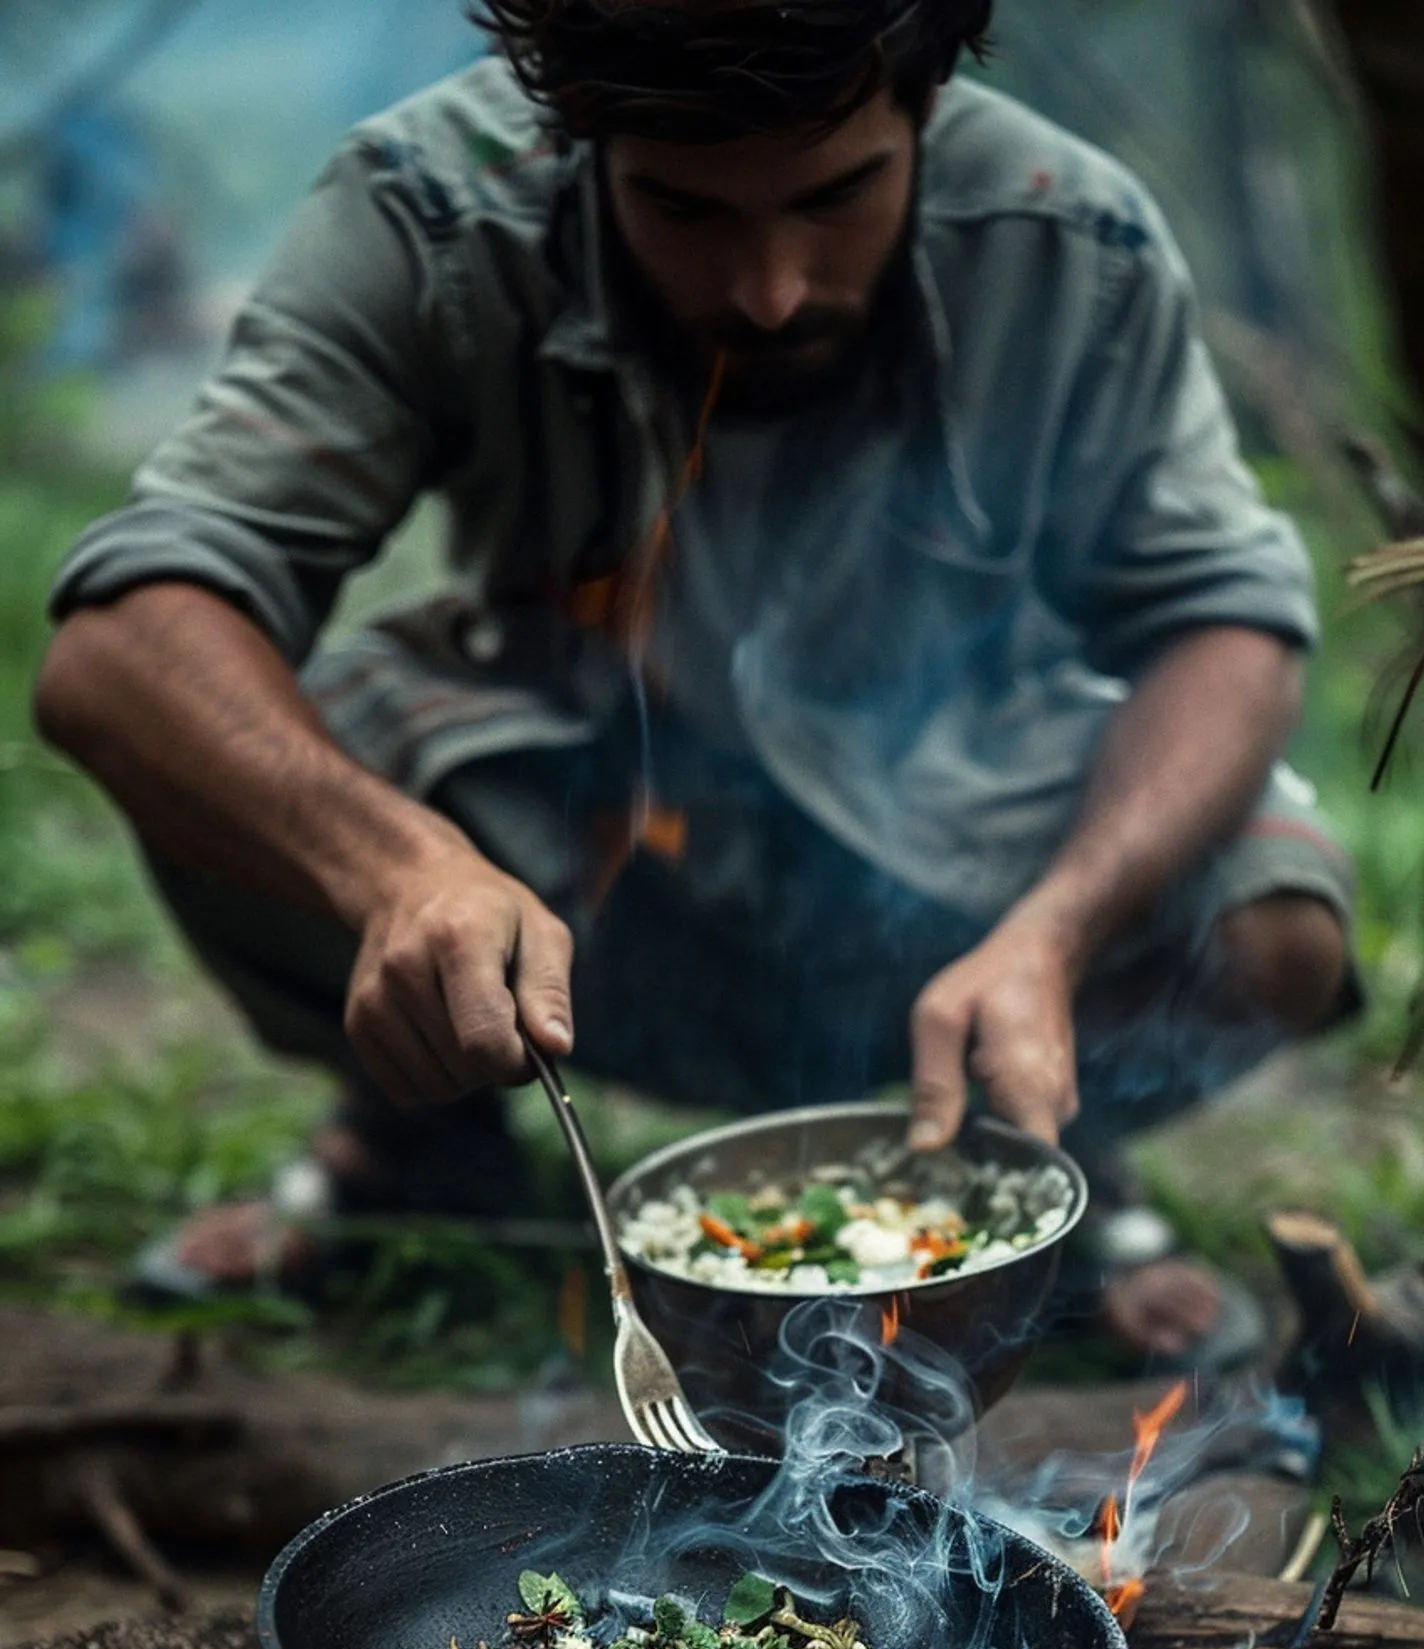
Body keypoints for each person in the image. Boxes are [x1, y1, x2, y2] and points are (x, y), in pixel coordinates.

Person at [34, 0, 1353, 1361]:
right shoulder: (430, 208)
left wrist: (1058, 933)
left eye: (839, 195)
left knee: (1278, 925)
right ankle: (420, 1132)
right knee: (218, 741)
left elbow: (1225, 625)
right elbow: (121, 643)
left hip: (955, 837)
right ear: (575, 133)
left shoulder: (1067, 236)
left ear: (926, 102)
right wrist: (400, 870)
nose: (770, 288)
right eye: (686, 209)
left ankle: (1031, 1149)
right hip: (572, 816)